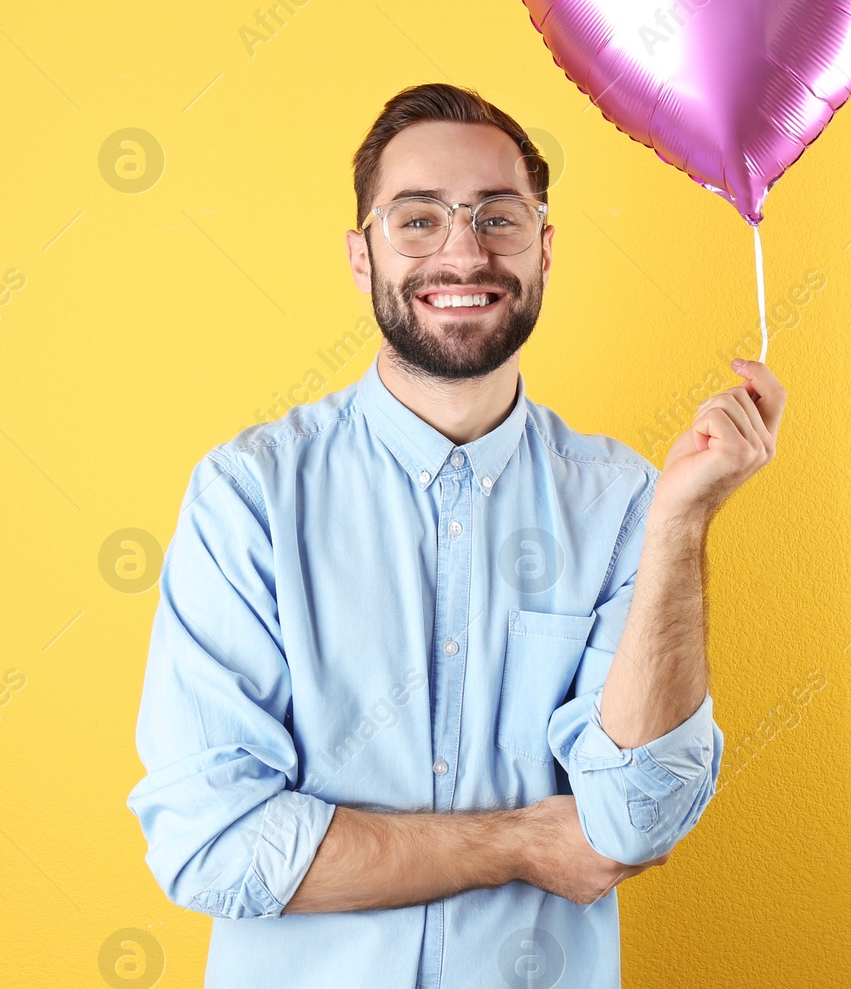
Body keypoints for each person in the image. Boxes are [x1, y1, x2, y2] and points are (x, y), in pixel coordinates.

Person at [127, 82, 786, 988]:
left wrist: (682, 522)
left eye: (498, 218)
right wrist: (517, 842)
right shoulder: (250, 498)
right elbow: (215, 845)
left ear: (545, 249)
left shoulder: (627, 501)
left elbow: (636, 819)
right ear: (362, 256)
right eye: (419, 219)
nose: (464, 251)